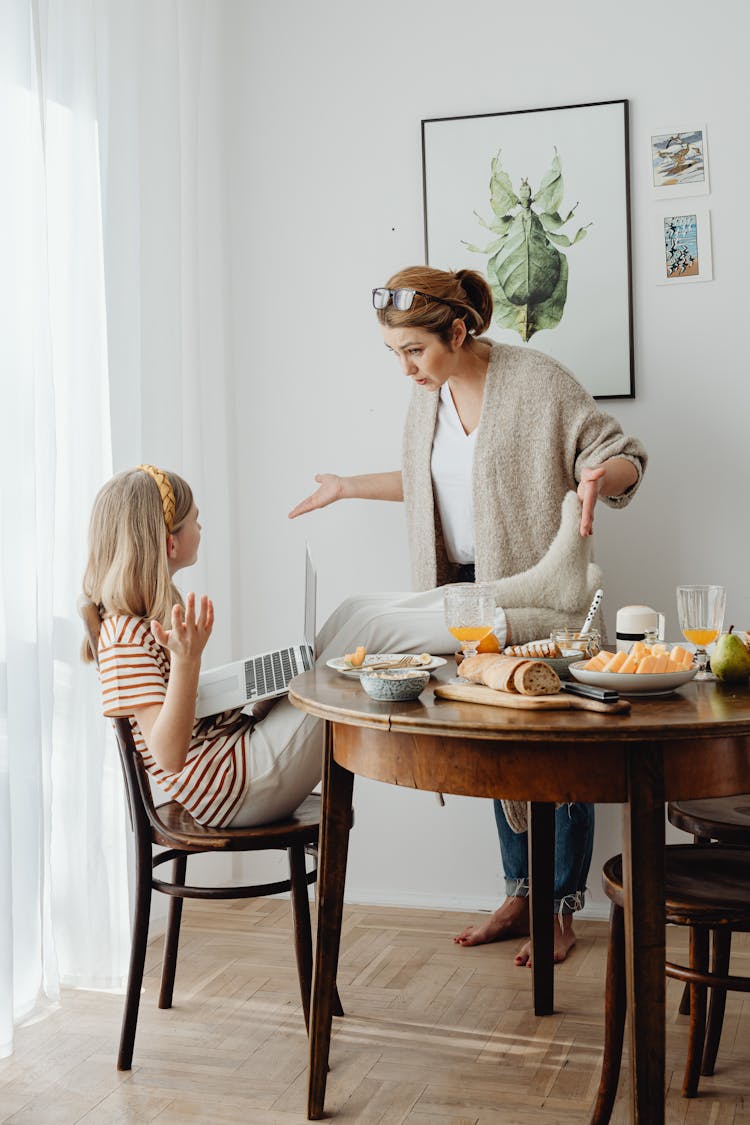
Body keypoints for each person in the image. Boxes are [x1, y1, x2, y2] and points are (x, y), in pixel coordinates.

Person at [289, 265, 647, 965]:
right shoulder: (427, 402)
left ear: (457, 330)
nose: (404, 369)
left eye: (413, 351)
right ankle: (519, 893)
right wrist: (347, 488)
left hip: (545, 603)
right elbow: (429, 484)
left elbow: (619, 453)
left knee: (556, 750)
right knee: (493, 744)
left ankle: (561, 907)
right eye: (393, 353)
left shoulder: (539, 382)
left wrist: (598, 479)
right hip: (468, 600)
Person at [81, 465, 324, 828]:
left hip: (234, 762)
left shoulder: (138, 623)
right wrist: (186, 661)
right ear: (170, 542)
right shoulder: (123, 637)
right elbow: (168, 754)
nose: (201, 528)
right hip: (233, 787)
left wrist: (247, 693)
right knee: (349, 658)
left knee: (344, 634)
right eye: (196, 520)